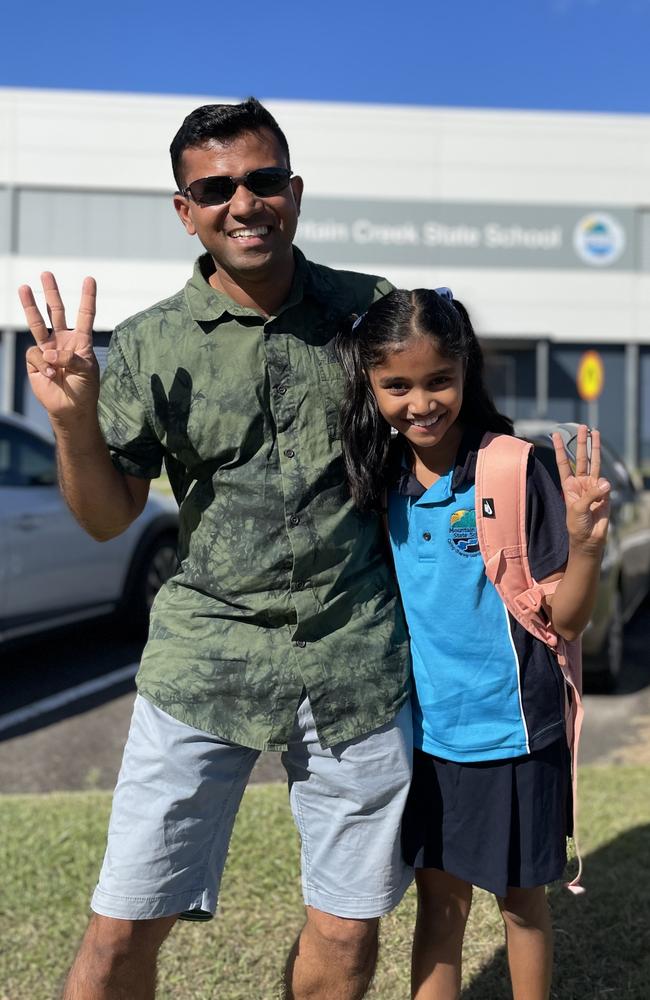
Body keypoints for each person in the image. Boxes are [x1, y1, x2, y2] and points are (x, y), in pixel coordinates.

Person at [18, 98, 413, 1000]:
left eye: (264, 180)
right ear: (185, 208)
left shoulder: (371, 312)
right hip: (206, 659)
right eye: (217, 187)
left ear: (295, 192)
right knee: (120, 930)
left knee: (348, 935)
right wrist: (77, 419)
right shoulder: (152, 344)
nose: (245, 202)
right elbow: (109, 516)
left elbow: (437, 441)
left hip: (357, 655)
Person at [336, 287, 610, 1000]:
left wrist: (583, 548)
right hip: (429, 741)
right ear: (370, 385)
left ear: (466, 372)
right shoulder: (382, 476)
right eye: (397, 385)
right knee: (441, 907)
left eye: (438, 380)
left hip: (518, 736)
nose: (419, 402)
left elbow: (569, 622)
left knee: (521, 904)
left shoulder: (514, 470)